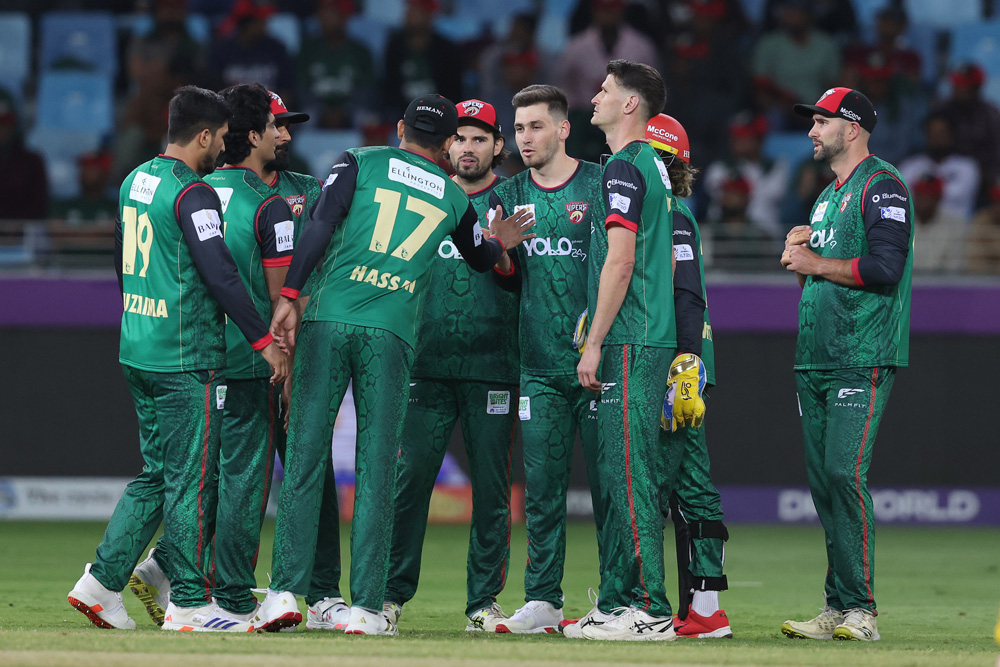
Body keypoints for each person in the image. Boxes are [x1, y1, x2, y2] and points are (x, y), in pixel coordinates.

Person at [252, 94, 535, 635]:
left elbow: (319, 226)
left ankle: (285, 594)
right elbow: (483, 258)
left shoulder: (357, 162)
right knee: (378, 469)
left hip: (329, 322)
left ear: (401, 128)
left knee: (306, 456)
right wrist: (502, 246)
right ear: (450, 143)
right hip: (392, 336)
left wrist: (289, 293)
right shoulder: (455, 200)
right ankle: (367, 608)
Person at [67, 85, 290, 633]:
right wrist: (263, 341)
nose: (220, 151)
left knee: (159, 474)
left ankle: (100, 584)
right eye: (218, 140)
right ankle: (190, 604)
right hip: (186, 359)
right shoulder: (192, 194)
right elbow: (220, 274)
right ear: (208, 135)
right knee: (191, 480)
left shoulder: (133, 180)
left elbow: (123, 265)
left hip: (138, 346)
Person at [780, 87, 912, 642]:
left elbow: (885, 267)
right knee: (823, 485)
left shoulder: (883, 185)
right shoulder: (827, 196)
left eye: (821, 120)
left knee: (844, 475)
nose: (811, 129)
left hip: (863, 353)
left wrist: (816, 260)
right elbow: (823, 273)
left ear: (852, 128)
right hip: (815, 358)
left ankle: (862, 611)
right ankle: (837, 607)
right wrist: (801, 260)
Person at [384, 99, 520, 632]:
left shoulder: (513, 196)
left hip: (494, 364)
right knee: (409, 482)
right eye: (460, 137)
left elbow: (523, 276)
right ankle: (389, 598)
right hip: (425, 361)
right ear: (446, 143)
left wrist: (504, 254)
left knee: (491, 490)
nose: (467, 147)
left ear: (497, 146)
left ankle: (483, 604)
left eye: (479, 138)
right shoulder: (422, 190)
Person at [486, 84, 606, 635]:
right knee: (542, 491)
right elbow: (504, 280)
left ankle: (620, 598)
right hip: (537, 367)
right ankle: (543, 600)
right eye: (518, 128)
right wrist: (500, 252)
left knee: (613, 488)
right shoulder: (507, 194)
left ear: (563, 129)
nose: (524, 138)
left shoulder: (601, 185)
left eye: (535, 126)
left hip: (600, 365)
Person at [574, 59, 683, 642]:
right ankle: (617, 602)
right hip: (643, 334)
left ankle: (649, 608)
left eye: (605, 90)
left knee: (632, 475)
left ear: (631, 105)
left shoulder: (625, 164)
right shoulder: (651, 166)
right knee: (620, 476)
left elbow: (620, 260)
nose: (594, 97)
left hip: (632, 341)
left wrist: (594, 342)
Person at [202, 82, 295, 623]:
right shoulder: (270, 206)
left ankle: (182, 585)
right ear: (253, 134)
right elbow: (279, 301)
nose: (281, 136)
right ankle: (232, 599)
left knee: (196, 478)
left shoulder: (189, 191)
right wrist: (282, 362)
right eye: (273, 127)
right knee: (243, 481)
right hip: (247, 362)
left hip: (191, 360)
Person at [261, 89, 352, 631]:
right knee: (223, 476)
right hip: (235, 356)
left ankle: (320, 592)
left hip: (298, 353)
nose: (288, 136)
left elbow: (328, 265)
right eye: (278, 125)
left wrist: (297, 353)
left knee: (310, 471)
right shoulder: (215, 193)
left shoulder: (312, 193)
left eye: (290, 126)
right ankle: (199, 584)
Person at [644, 113, 732, 639]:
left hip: (676, 365)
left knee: (688, 481)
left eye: (659, 158)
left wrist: (683, 365)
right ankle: (682, 604)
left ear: (675, 167)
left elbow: (686, 293)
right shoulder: (667, 211)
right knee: (668, 483)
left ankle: (704, 607)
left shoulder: (672, 215)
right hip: (671, 360)